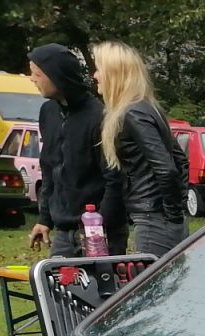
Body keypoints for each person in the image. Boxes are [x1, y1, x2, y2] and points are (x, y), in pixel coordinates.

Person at [91, 41, 189, 256]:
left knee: (153, 277)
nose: (95, 75)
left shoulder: (133, 113)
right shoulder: (147, 109)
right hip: (156, 216)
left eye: (99, 69)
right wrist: (177, 212)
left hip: (153, 219)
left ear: (114, 73)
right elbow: (180, 160)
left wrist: (172, 215)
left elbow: (168, 168)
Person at [27, 43, 126, 256]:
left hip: (100, 230)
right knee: (55, 279)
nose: (32, 79)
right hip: (64, 233)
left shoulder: (100, 117)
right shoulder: (48, 112)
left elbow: (115, 179)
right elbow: (49, 168)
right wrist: (45, 219)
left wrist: (100, 227)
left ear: (57, 76)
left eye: (37, 74)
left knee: (101, 280)